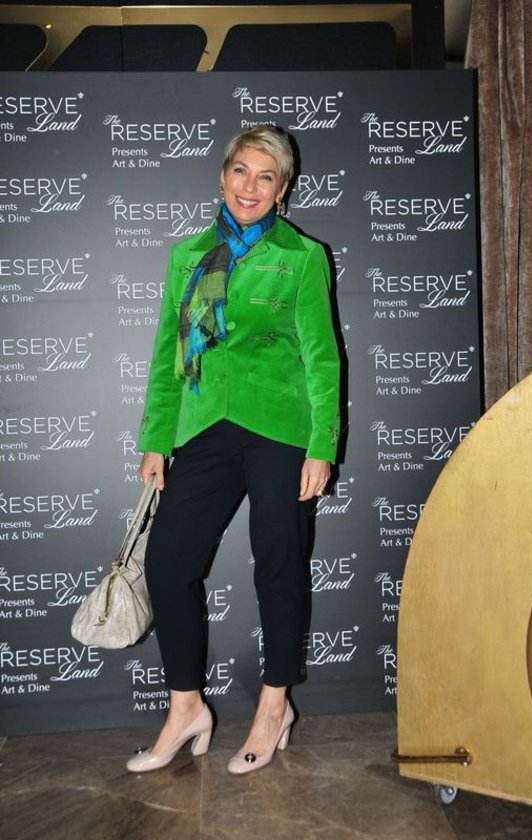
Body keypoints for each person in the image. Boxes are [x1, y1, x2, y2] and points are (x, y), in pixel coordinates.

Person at [126, 125, 340, 776]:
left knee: (279, 562)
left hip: (279, 428)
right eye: (241, 171)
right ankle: (186, 707)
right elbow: (168, 354)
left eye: (265, 176)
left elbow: (322, 357)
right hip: (204, 427)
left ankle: (275, 706)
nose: (250, 186)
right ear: (222, 177)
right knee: (168, 562)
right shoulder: (188, 255)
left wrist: (322, 444)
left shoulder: (302, 256)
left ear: (283, 190)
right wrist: (156, 438)